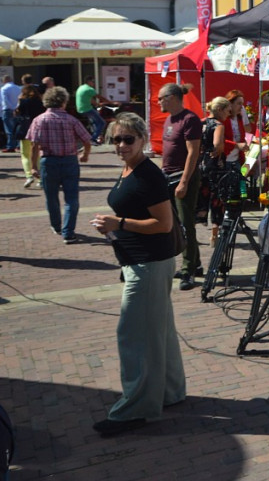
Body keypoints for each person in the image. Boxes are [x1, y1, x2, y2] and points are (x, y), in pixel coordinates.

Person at [90, 113, 186, 436]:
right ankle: (169, 392)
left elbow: (164, 224)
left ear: (143, 139)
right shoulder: (130, 169)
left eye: (128, 139)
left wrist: (119, 224)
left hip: (148, 265)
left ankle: (136, 408)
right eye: (116, 139)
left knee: (133, 335)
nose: (121, 145)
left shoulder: (149, 175)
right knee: (158, 330)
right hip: (143, 262)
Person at [26, 86, 91, 244]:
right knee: (71, 198)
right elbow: (87, 140)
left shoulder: (39, 120)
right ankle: (68, 232)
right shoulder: (71, 120)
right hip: (69, 161)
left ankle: (56, 225)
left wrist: (33, 166)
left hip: (49, 161)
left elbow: (34, 145)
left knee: (51, 197)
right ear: (63, 101)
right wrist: (84, 155)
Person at [158, 83, 202, 291]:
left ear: (172, 97)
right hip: (169, 176)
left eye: (161, 98)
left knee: (186, 224)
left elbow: (193, 153)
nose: (158, 102)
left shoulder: (189, 119)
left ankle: (189, 270)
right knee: (178, 223)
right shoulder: (170, 118)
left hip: (183, 178)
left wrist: (184, 181)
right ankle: (196, 263)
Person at [198, 96, 231, 246]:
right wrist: (220, 148)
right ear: (219, 109)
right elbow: (217, 144)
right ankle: (214, 236)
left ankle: (191, 232)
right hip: (214, 165)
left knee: (201, 196)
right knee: (216, 200)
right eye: (227, 111)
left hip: (199, 163)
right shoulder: (218, 125)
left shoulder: (201, 123)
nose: (228, 115)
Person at [15, 83, 44, 188]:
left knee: (25, 154)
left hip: (25, 129)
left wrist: (19, 101)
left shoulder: (23, 102)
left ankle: (29, 176)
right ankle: (40, 178)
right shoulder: (40, 102)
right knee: (38, 154)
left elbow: (17, 112)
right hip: (38, 130)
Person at [76, 75, 113, 144]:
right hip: (87, 109)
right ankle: (92, 139)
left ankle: (96, 138)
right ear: (89, 82)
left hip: (80, 110)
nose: (94, 83)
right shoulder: (89, 89)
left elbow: (89, 99)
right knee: (102, 123)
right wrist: (111, 102)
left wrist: (97, 104)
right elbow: (100, 97)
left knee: (96, 123)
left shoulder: (81, 87)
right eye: (93, 82)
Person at [0, 75, 21, 153]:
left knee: (9, 129)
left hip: (8, 109)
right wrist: (16, 108)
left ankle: (11, 146)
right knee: (17, 128)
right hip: (17, 110)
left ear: (4, 80)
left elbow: (5, 100)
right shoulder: (18, 87)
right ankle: (18, 145)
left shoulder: (4, 88)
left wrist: (11, 108)